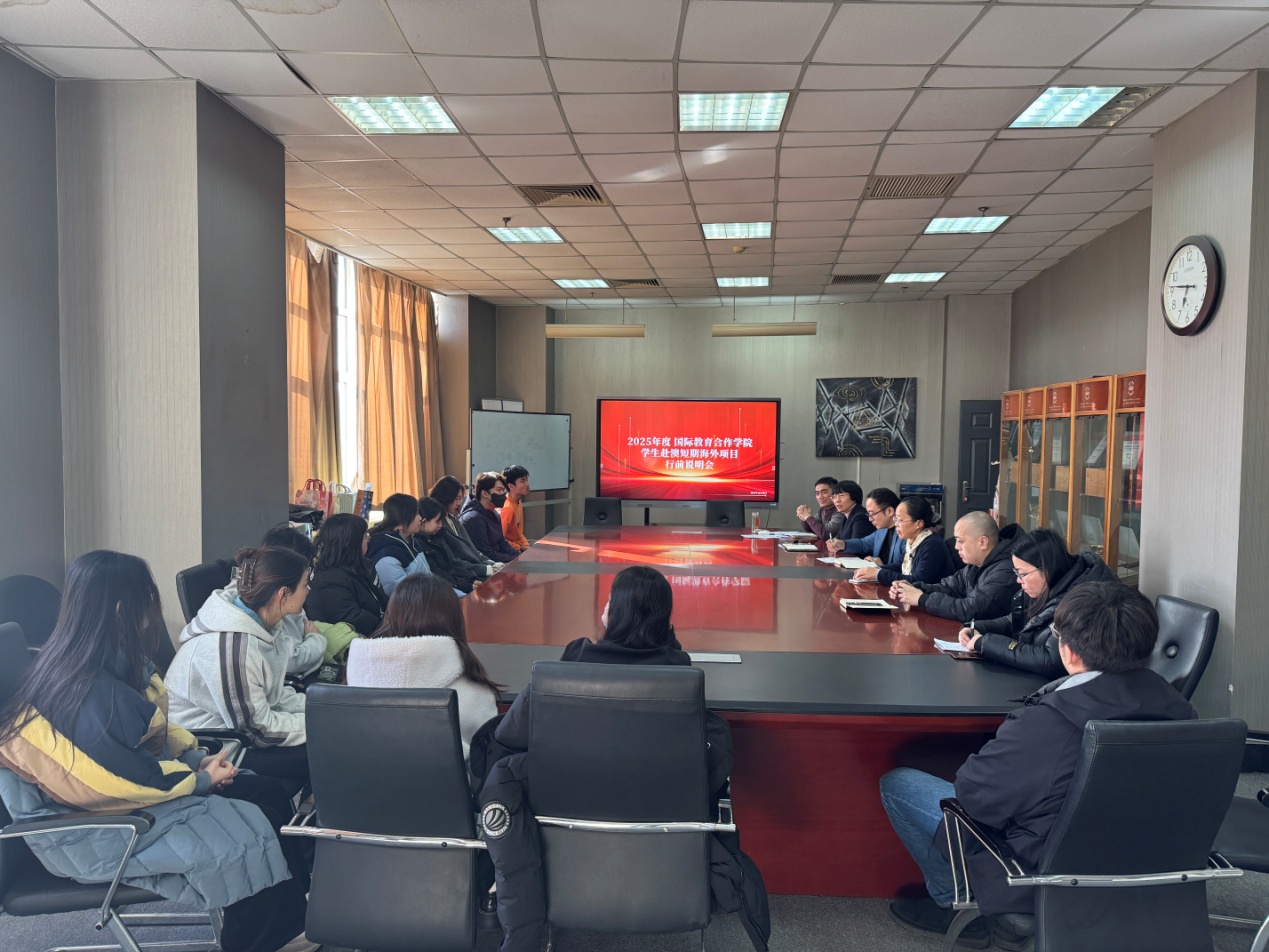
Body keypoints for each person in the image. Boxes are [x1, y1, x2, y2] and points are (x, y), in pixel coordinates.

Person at [0, 551, 313, 952]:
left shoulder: (96, 661)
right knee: (249, 828)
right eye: (147, 600)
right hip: (94, 827)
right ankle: (266, 938)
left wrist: (195, 759)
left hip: (118, 798)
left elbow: (146, 738)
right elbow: (119, 779)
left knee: (265, 793)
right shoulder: (92, 694)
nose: (151, 613)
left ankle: (292, 912)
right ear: (121, 609)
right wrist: (200, 780)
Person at [879, 583, 1195, 949]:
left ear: (1068, 651)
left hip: (1041, 874)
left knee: (898, 785)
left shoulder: (1051, 723)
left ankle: (954, 903)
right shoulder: (1181, 709)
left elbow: (975, 796)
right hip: (1151, 869)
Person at [476, 566, 768, 952]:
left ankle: (500, 886)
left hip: (566, 809)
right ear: (664, 620)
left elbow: (508, 735)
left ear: (611, 611)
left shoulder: (574, 659)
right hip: (655, 817)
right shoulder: (678, 673)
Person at [166, 547, 312, 797]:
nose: (309, 590)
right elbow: (259, 730)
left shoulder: (264, 624)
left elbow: (272, 696)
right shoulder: (233, 647)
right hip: (214, 747)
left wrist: (322, 708)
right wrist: (318, 723)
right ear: (283, 594)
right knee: (325, 752)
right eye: (305, 584)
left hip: (239, 729)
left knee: (330, 742)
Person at [346, 574, 500, 760]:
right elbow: (488, 755)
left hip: (364, 777)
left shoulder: (355, 680)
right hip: (448, 779)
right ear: (454, 618)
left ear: (391, 614)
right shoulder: (475, 693)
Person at [957, 528, 1118, 678]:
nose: (1018, 580)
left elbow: (1052, 660)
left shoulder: (1084, 600)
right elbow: (1016, 621)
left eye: (1022, 574)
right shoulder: (1049, 584)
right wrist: (977, 627)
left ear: (1047, 569)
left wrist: (986, 643)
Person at [225, 525, 325, 678]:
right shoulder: (259, 608)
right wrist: (315, 639)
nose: (308, 589)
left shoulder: (265, 596)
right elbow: (290, 661)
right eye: (305, 582)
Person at [890, 512, 1022, 623]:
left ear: (982, 542)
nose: (956, 547)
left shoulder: (1006, 571)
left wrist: (922, 599)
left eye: (960, 541)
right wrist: (915, 588)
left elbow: (970, 610)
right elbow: (951, 587)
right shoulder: (977, 564)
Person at [304, 512, 389, 635]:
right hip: (360, 640)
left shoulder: (361, 565)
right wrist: (390, 625)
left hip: (381, 630)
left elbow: (383, 600)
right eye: (365, 537)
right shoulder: (328, 581)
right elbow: (355, 621)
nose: (368, 540)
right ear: (350, 543)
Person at [851, 496, 954, 586]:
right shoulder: (913, 541)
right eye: (895, 519)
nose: (896, 524)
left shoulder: (932, 545)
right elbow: (899, 565)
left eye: (900, 520)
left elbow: (917, 581)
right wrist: (875, 569)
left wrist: (878, 574)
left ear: (918, 523)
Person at [430, 475, 503, 577]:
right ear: (446, 497)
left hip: (477, 568)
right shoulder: (437, 526)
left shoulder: (453, 519)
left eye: (461, 499)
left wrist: (492, 564)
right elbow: (455, 560)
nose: (459, 503)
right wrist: (486, 569)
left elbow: (472, 549)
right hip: (466, 574)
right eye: (457, 499)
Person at [414, 495, 486, 594]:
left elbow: (453, 564)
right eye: (437, 522)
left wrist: (472, 579)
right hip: (445, 590)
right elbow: (438, 574)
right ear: (424, 521)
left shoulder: (439, 536)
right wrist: (467, 586)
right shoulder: (418, 544)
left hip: (458, 583)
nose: (440, 525)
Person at [366, 493, 429, 595]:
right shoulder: (386, 555)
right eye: (416, 514)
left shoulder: (410, 540)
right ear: (402, 520)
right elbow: (404, 595)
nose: (420, 518)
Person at [461, 472, 520, 564]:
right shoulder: (474, 519)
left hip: (498, 562)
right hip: (487, 566)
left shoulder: (494, 513)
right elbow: (486, 553)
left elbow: (502, 543)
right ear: (485, 493)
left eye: (503, 490)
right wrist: (514, 560)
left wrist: (519, 556)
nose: (503, 494)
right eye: (499, 490)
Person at [833, 487, 903, 565]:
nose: (870, 519)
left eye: (872, 514)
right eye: (868, 514)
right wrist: (843, 544)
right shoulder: (882, 530)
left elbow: (905, 568)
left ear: (889, 511)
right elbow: (864, 544)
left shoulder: (905, 534)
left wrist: (882, 567)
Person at [795, 476, 841, 541]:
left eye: (824, 492)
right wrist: (804, 517)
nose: (820, 497)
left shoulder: (840, 510)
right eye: (817, 493)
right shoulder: (823, 509)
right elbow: (811, 529)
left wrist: (808, 516)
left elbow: (825, 534)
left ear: (835, 493)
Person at [500, 464, 532, 553]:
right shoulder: (508, 508)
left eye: (527, 480)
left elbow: (519, 534)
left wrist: (526, 546)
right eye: (523, 481)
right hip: (510, 552)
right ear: (511, 486)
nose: (527, 484)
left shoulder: (518, 503)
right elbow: (500, 540)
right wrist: (520, 548)